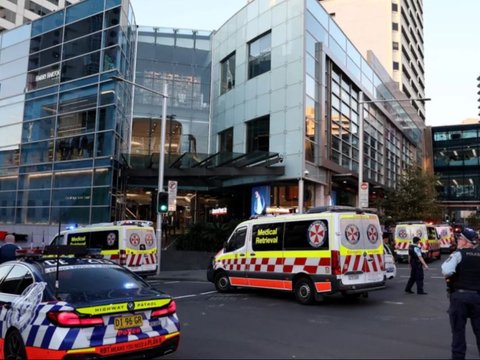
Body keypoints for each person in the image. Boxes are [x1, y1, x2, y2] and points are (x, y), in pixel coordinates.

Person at [441, 227, 480, 360]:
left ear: (465, 241)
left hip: (460, 298)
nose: (457, 240)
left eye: (459, 238)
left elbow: (446, 270)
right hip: (478, 298)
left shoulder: (458, 254)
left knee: (458, 333)